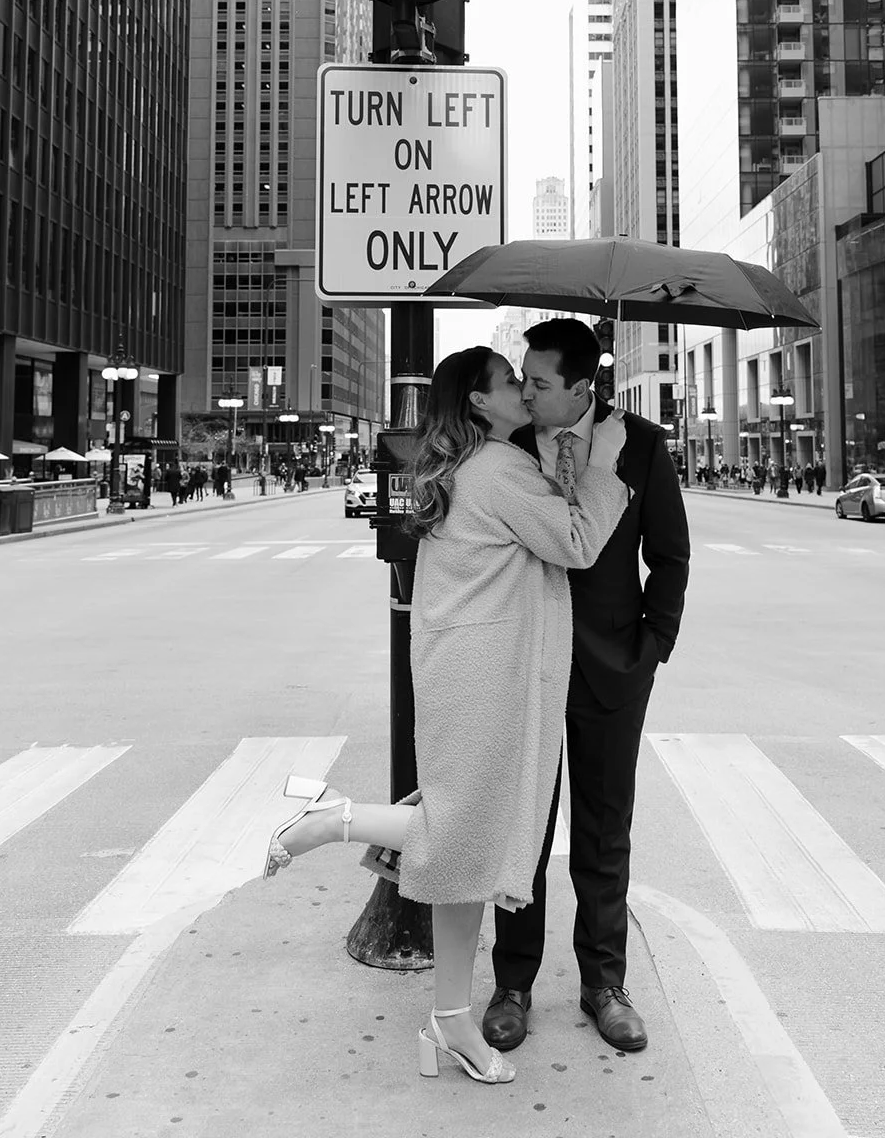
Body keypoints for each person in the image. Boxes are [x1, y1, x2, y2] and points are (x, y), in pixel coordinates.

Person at [261, 346, 628, 1086]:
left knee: (467, 862)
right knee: (463, 833)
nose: (523, 390)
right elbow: (577, 542)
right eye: (510, 382)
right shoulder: (496, 469)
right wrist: (602, 463)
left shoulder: (475, 465)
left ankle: (450, 1018)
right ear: (479, 402)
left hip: (467, 665)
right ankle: (334, 820)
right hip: (486, 673)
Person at [483, 318, 690, 1058]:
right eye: (522, 379)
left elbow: (670, 554)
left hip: (613, 665)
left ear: (581, 387)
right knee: (524, 831)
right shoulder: (508, 446)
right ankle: (512, 984)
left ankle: (605, 984)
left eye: (539, 382)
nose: (526, 393)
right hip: (527, 662)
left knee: (603, 832)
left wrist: (652, 648)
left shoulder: (640, 445)